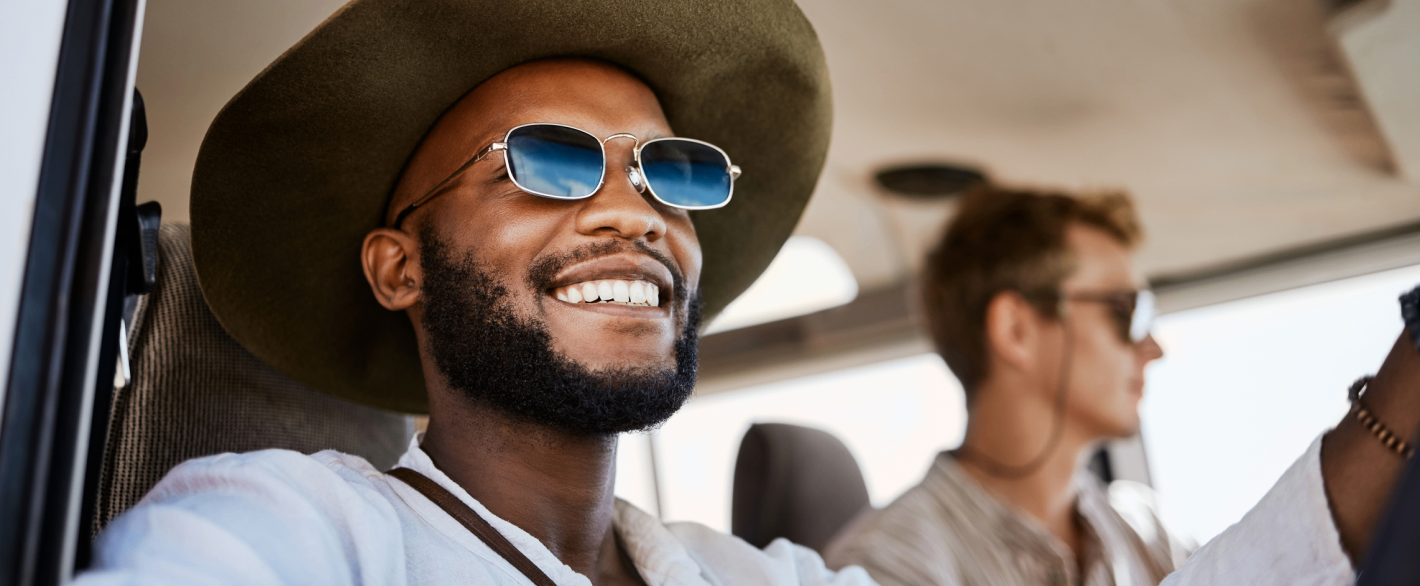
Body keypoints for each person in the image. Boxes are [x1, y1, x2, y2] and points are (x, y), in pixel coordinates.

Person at [76, 0, 874, 584]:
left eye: (667, 173)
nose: (636, 214)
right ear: (400, 269)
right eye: (546, 163)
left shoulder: (766, 577)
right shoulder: (305, 531)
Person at [825, 185, 1189, 585]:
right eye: (1125, 310)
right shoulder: (884, 568)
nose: (1154, 348)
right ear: (1016, 330)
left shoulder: (1150, 536)